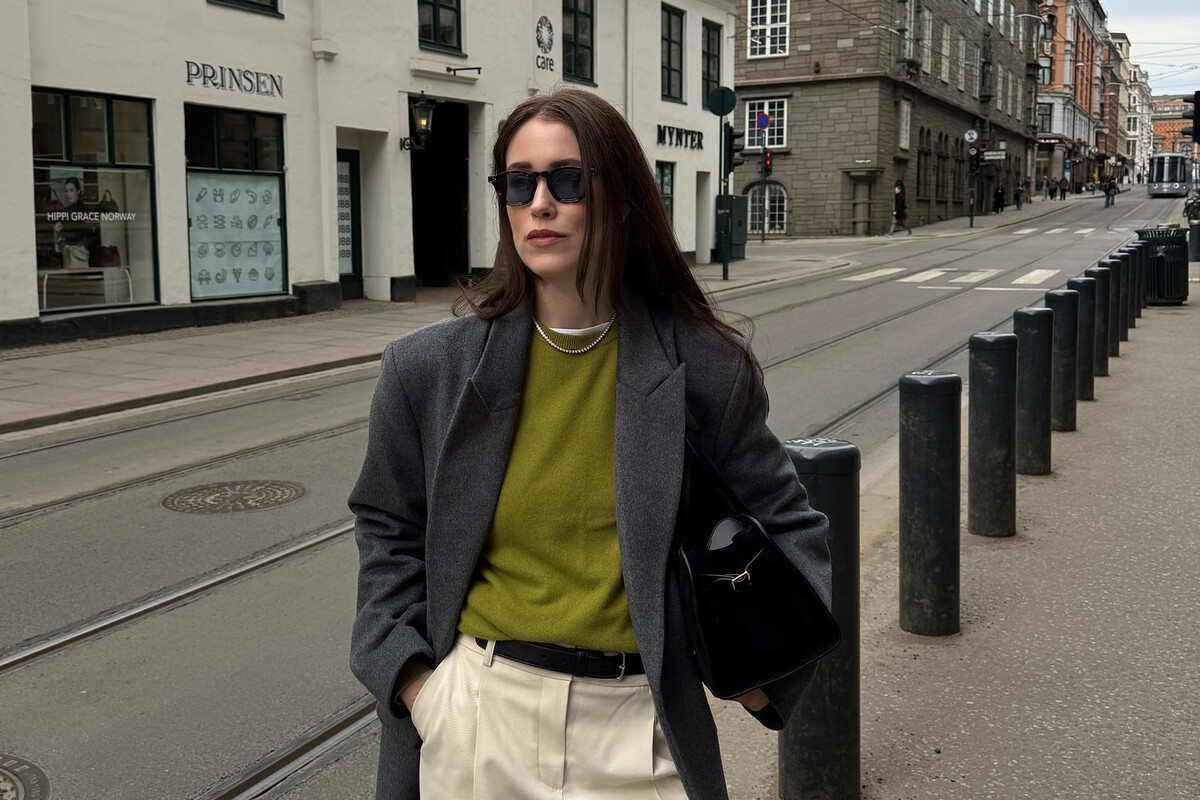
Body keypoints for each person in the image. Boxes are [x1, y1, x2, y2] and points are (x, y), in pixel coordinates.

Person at [348, 88, 832, 800]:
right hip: (477, 718)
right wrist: (417, 684)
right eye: (519, 183)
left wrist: (770, 668)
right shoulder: (427, 369)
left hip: (638, 726)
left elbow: (790, 522)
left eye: (567, 180)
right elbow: (388, 527)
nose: (539, 203)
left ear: (623, 199)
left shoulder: (704, 368)